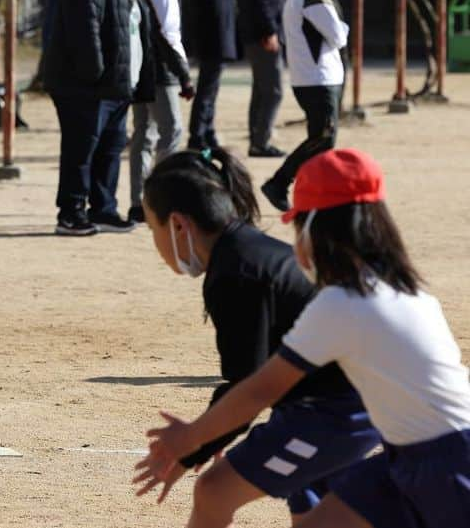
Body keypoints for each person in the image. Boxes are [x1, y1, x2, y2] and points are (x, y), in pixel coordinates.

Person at [141, 147, 470, 528]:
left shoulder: (342, 303)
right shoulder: (401, 290)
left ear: (314, 230)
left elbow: (258, 389)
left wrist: (191, 437)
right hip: (407, 457)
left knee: (216, 491)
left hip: (449, 462)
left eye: (298, 226)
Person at [42, 0, 156, 236]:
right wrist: (93, 74)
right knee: (82, 148)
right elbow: (85, 29)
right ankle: (71, 212)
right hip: (87, 85)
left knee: (110, 147)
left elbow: (139, 30)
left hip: (121, 83)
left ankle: (104, 208)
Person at [260, 0, 348, 213]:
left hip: (310, 75)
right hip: (318, 77)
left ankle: (315, 196)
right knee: (324, 137)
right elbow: (337, 36)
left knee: (320, 140)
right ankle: (279, 181)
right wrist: (342, 28)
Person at [129, 0, 194, 224]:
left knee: (143, 132)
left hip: (138, 63)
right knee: (170, 132)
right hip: (160, 66)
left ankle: (137, 200)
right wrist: (183, 72)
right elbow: (169, 30)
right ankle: (161, 200)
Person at [188, 0, 247, 151]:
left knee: (211, 89)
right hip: (213, 38)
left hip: (219, 37)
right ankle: (198, 133)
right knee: (206, 89)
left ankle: (207, 129)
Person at [244, 0, 290, 158]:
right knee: (273, 92)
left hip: (255, 37)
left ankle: (257, 138)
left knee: (261, 91)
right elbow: (262, 4)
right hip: (265, 39)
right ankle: (261, 141)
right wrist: (270, 31)